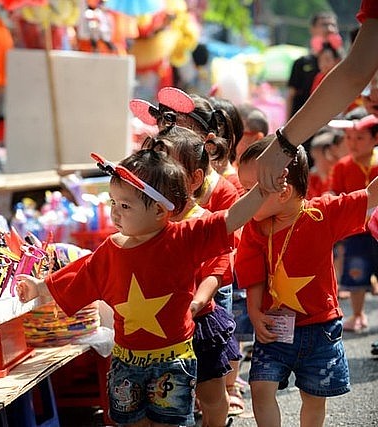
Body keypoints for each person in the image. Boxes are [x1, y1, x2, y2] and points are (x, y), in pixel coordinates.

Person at [16, 127, 269, 427]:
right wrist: (40, 288)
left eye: (125, 205)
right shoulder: (110, 249)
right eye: (113, 202)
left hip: (173, 359)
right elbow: (77, 275)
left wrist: (264, 189)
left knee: (169, 423)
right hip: (126, 361)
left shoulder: (183, 237)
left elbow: (231, 218)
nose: (115, 213)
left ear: (161, 211)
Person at [236, 135, 378, 427]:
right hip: (273, 327)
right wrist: (254, 311)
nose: (243, 200)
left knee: (313, 398)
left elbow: (369, 195)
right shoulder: (255, 227)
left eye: (251, 192)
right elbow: (252, 273)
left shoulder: (321, 213)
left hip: (320, 327)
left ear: (284, 191)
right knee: (260, 388)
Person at [142, 133, 241, 426]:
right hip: (158, 322)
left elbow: (217, 268)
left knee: (211, 395)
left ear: (195, 178)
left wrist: (197, 302)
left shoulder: (203, 220)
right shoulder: (148, 219)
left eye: (170, 166)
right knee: (165, 398)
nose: (159, 174)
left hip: (198, 321)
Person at [256, 2, 378, 194]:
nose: (371, 93)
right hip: (311, 126)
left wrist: (283, 144)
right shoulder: (302, 63)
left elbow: (354, 74)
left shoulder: (345, 66)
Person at [328, 113, 378, 332]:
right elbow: (335, 194)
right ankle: (358, 314)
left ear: (375, 139)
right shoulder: (342, 166)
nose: (352, 143)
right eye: (349, 137)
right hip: (356, 231)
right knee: (356, 272)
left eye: (360, 138)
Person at [286, 11, 340, 119]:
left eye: (333, 25)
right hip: (303, 121)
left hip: (331, 120)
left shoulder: (342, 61)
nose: (329, 29)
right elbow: (291, 95)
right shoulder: (301, 63)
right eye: (324, 24)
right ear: (312, 29)